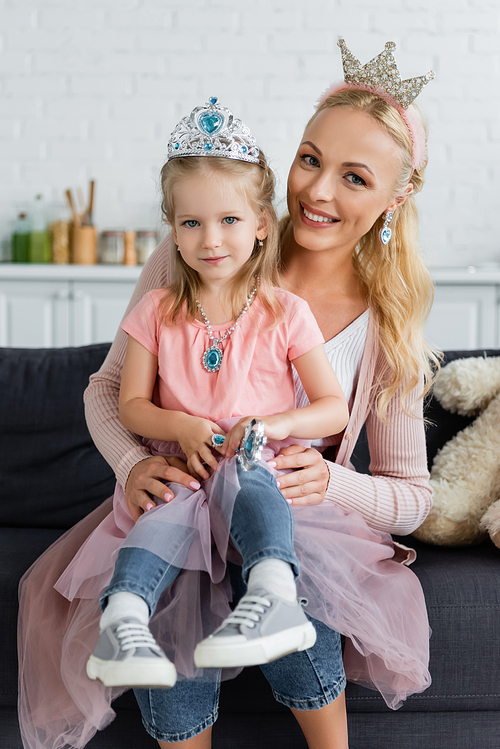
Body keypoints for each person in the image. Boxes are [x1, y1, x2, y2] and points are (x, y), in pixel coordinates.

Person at [18, 39, 437, 749]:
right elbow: (109, 390)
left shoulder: (386, 321)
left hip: (285, 511)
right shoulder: (206, 244)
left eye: (355, 177)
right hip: (182, 495)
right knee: (166, 639)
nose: (318, 190)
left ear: (396, 196)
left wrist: (331, 480)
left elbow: (414, 497)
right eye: (311, 159)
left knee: (300, 595)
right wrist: (131, 463)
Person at [81, 98, 349, 690]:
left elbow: (333, 407)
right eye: (191, 223)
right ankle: (123, 619)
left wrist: (273, 425)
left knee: (248, 477)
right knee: (160, 512)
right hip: (185, 466)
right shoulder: (157, 309)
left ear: (261, 224)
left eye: (229, 220)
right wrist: (178, 428)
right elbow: (130, 403)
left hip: (254, 461)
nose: (211, 240)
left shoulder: (285, 312)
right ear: (172, 230)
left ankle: (273, 590)